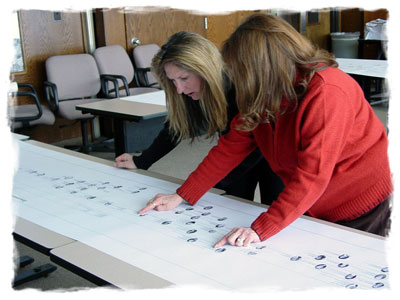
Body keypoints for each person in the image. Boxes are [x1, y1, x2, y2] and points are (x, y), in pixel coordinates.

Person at [139, 14, 392, 248]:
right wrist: (183, 195)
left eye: (240, 69)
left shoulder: (327, 91)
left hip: (362, 206)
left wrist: (260, 229)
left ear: (263, 66)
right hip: (315, 205)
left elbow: (313, 175)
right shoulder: (263, 93)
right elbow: (230, 147)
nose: (236, 78)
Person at [114, 31, 284, 204]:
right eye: (173, 81)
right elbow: (176, 128)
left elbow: (244, 146)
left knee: (276, 206)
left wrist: (206, 184)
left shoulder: (239, 85)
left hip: (276, 149)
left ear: (205, 69)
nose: (179, 89)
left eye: (184, 78)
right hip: (235, 154)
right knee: (230, 204)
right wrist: (142, 161)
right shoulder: (193, 89)